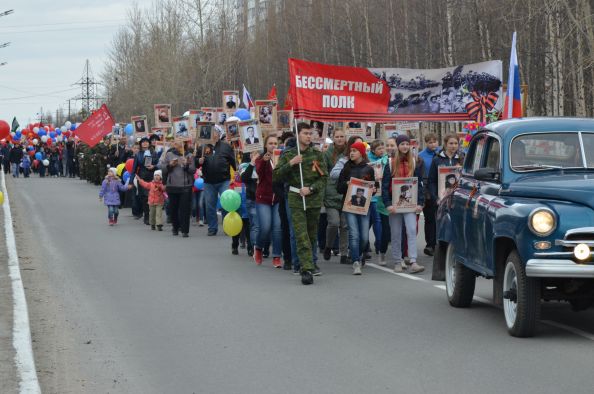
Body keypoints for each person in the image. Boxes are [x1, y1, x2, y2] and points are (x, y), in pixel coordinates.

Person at [273, 122, 328, 285]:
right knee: (300, 234)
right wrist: (291, 163)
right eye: (305, 133)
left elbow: (324, 177)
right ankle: (306, 269)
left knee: (311, 235)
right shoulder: (289, 154)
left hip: (313, 199)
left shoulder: (317, 155)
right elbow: (276, 176)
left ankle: (310, 262)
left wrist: (311, 188)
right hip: (295, 198)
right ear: (298, 135)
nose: (308, 136)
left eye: (310, 134)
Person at [382, 134, 425, 274]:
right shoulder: (390, 163)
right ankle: (397, 261)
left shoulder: (414, 161)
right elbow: (385, 185)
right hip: (395, 204)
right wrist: (388, 204)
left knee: (412, 230)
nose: (405, 146)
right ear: (398, 146)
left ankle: (413, 261)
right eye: (402, 144)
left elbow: (420, 184)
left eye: (407, 144)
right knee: (395, 232)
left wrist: (420, 203)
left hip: (410, 203)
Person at [337, 141, 375, 275]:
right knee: (354, 234)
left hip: (365, 206)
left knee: (364, 237)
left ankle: (358, 254)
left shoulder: (369, 169)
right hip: (349, 206)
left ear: (362, 153)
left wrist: (374, 189)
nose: (351, 153)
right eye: (350, 151)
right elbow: (338, 188)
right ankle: (355, 261)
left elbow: (374, 188)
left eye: (354, 151)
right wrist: (346, 184)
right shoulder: (346, 168)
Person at [200, 126, 236, 236]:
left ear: (219, 133)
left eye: (215, 131)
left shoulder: (226, 147)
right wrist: (198, 160)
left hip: (224, 180)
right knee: (210, 205)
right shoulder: (203, 147)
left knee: (226, 204)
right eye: (211, 131)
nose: (213, 133)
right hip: (208, 181)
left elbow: (233, 162)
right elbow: (197, 162)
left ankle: (227, 226)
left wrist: (237, 170)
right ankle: (212, 228)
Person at [254, 135, 283, 268]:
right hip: (263, 198)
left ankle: (276, 256)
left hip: (277, 198)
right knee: (265, 227)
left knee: (277, 228)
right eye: (270, 143)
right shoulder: (261, 159)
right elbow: (259, 173)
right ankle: (258, 248)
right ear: (266, 145)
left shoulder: (281, 158)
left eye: (275, 143)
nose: (273, 145)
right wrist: (265, 161)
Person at [322, 129, 349, 264]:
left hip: (345, 193)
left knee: (344, 225)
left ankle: (344, 254)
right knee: (334, 222)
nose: (339, 139)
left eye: (342, 136)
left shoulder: (349, 153)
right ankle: (328, 246)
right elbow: (323, 173)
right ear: (333, 138)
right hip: (331, 193)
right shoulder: (327, 153)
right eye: (337, 136)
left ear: (345, 138)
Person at [161, 141, 196, 237]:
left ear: (184, 144)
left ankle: (185, 230)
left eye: (180, 143)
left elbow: (193, 170)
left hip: (186, 186)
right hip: (172, 185)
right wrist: (170, 165)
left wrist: (186, 165)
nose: (178, 145)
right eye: (176, 143)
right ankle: (175, 227)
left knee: (185, 209)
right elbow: (163, 169)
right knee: (174, 208)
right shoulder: (169, 154)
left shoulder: (189, 155)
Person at [418, 133, 439, 256]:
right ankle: (430, 244)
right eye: (430, 142)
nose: (433, 144)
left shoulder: (440, 155)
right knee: (430, 218)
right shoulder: (421, 156)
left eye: (435, 141)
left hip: (440, 189)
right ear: (426, 143)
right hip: (426, 190)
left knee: (440, 218)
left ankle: (438, 242)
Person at [428, 134, 463, 202]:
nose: (454, 146)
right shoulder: (436, 159)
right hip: (441, 199)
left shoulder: (462, 159)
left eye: (456, 143)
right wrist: (435, 198)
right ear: (445, 144)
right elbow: (431, 181)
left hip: (457, 199)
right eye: (451, 143)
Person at [131, 137, 159, 225]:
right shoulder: (138, 154)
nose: (145, 143)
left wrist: (153, 166)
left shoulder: (153, 152)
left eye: (146, 142)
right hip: (142, 177)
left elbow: (158, 163)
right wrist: (131, 181)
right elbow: (134, 169)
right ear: (141, 144)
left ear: (149, 143)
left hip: (152, 177)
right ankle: (146, 216)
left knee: (153, 197)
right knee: (144, 198)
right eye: (143, 142)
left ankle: (153, 215)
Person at [239, 151, 259, 257]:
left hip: (266, 198)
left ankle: (262, 247)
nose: (255, 154)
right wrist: (252, 163)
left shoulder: (265, 161)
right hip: (252, 198)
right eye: (252, 152)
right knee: (254, 225)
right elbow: (244, 178)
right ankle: (254, 248)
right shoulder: (244, 165)